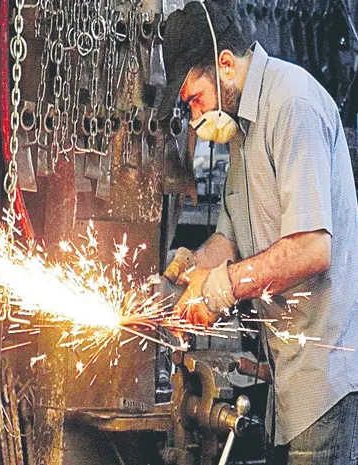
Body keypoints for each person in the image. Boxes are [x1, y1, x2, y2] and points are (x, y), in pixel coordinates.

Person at [157, 1, 358, 464]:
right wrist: (177, 282)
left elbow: (312, 249)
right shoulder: (242, 135)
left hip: (326, 379)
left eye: (193, 99)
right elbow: (228, 241)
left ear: (225, 64)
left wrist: (221, 289)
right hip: (288, 376)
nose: (193, 118)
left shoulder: (292, 104)